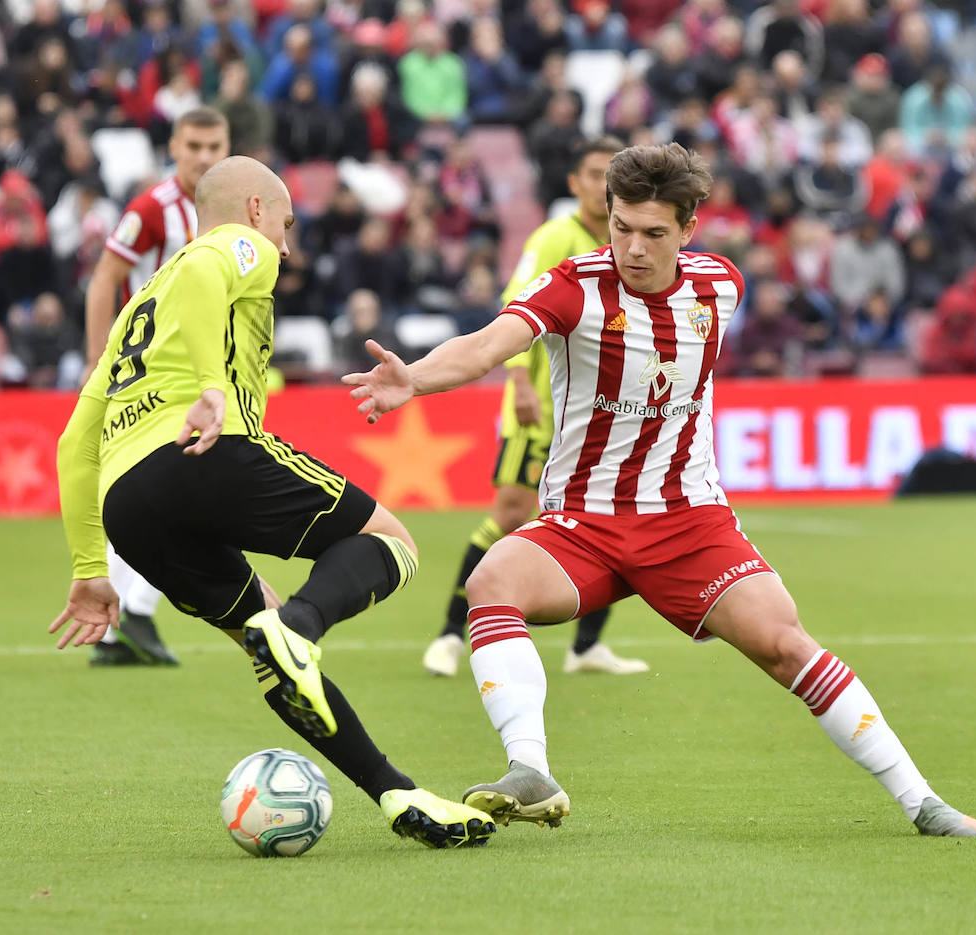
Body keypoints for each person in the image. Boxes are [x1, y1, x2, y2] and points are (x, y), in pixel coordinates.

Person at [346, 143, 976, 839]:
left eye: (654, 233)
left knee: (784, 642)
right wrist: (415, 377)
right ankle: (529, 767)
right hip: (584, 522)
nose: (633, 247)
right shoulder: (573, 285)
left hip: (689, 521)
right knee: (492, 578)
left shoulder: (722, 287)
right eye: (622, 227)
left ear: (687, 229)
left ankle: (921, 798)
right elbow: (488, 344)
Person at [50, 155, 496, 849]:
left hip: (128, 503)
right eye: (286, 224)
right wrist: (209, 388)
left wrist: (88, 567)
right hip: (204, 448)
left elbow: (75, 442)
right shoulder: (234, 246)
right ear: (257, 210)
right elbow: (204, 271)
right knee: (395, 544)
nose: (287, 247)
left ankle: (395, 791)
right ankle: (301, 623)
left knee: (272, 653)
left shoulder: (140, 306)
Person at [421, 136, 648, 680]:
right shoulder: (555, 238)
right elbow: (515, 309)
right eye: (592, 174)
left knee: (618, 519)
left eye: (610, 175)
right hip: (542, 411)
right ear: (574, 183)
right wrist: (520, 382)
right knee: (509, 517)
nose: (601, 185)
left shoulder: (630, 245)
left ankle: (586, 646)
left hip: (605, 415)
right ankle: (452, 634)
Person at [83, 106, 231, 667]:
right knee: (162, 492)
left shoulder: (237, 210)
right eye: (193, 145)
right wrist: (98, 362)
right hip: (154, 376)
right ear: (174, 147)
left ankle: (128, 618)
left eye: (213, 145)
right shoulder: (153, 210)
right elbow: (104, 280)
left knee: (170, 495)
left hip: (211, 375)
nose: (203, 156)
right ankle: (131, 614)